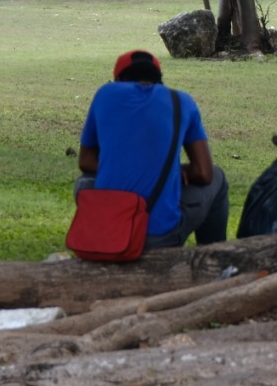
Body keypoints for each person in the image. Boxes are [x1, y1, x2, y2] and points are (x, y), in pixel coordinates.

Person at [76, 50, 229, 250]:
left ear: (119, 79)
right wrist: (174, 173)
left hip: (110, 230)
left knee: (84, 182)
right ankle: (214, 257)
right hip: (160, 238)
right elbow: (203, 173)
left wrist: (123, 167)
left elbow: (85, 161)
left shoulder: (106, 94)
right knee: (218, 177)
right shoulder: (182, 101)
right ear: (159, 80)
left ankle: (98, 229)